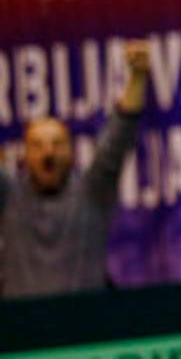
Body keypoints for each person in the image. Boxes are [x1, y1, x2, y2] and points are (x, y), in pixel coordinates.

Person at [0, 40, 149, 299]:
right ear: (24, 154)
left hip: (87, 321)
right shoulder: (9, 197)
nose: (48, 153)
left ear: (71, 151)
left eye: (57, 144)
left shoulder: (92, 193)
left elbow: (118, 138)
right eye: (37, 145)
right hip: (20, 323)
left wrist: (138, 77)